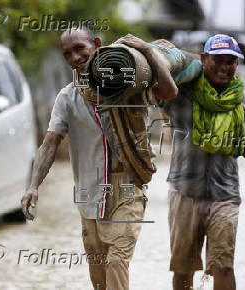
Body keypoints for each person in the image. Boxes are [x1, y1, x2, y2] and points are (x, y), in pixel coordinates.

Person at [20, 28, 176, 290]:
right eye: (67, 53)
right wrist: (33, 185)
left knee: (117, 261)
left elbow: (169, 91)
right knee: (100, 279)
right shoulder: (67, 98)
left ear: (96, 45)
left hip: (127, 188)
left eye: (80, 48)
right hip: (88, 194)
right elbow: (49, 144)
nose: (75, 57)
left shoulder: (130, 84)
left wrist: (148, 51)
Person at [159, 34, 245, 290]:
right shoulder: (181, 95)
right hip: (184, 192)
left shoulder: (244, 102)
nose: (224, 67)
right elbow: (157, 88)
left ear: (237, 64)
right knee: (182, 267)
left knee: (223, 265)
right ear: (203, 60)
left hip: (225, 195)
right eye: (217, 60)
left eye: (230, 61)